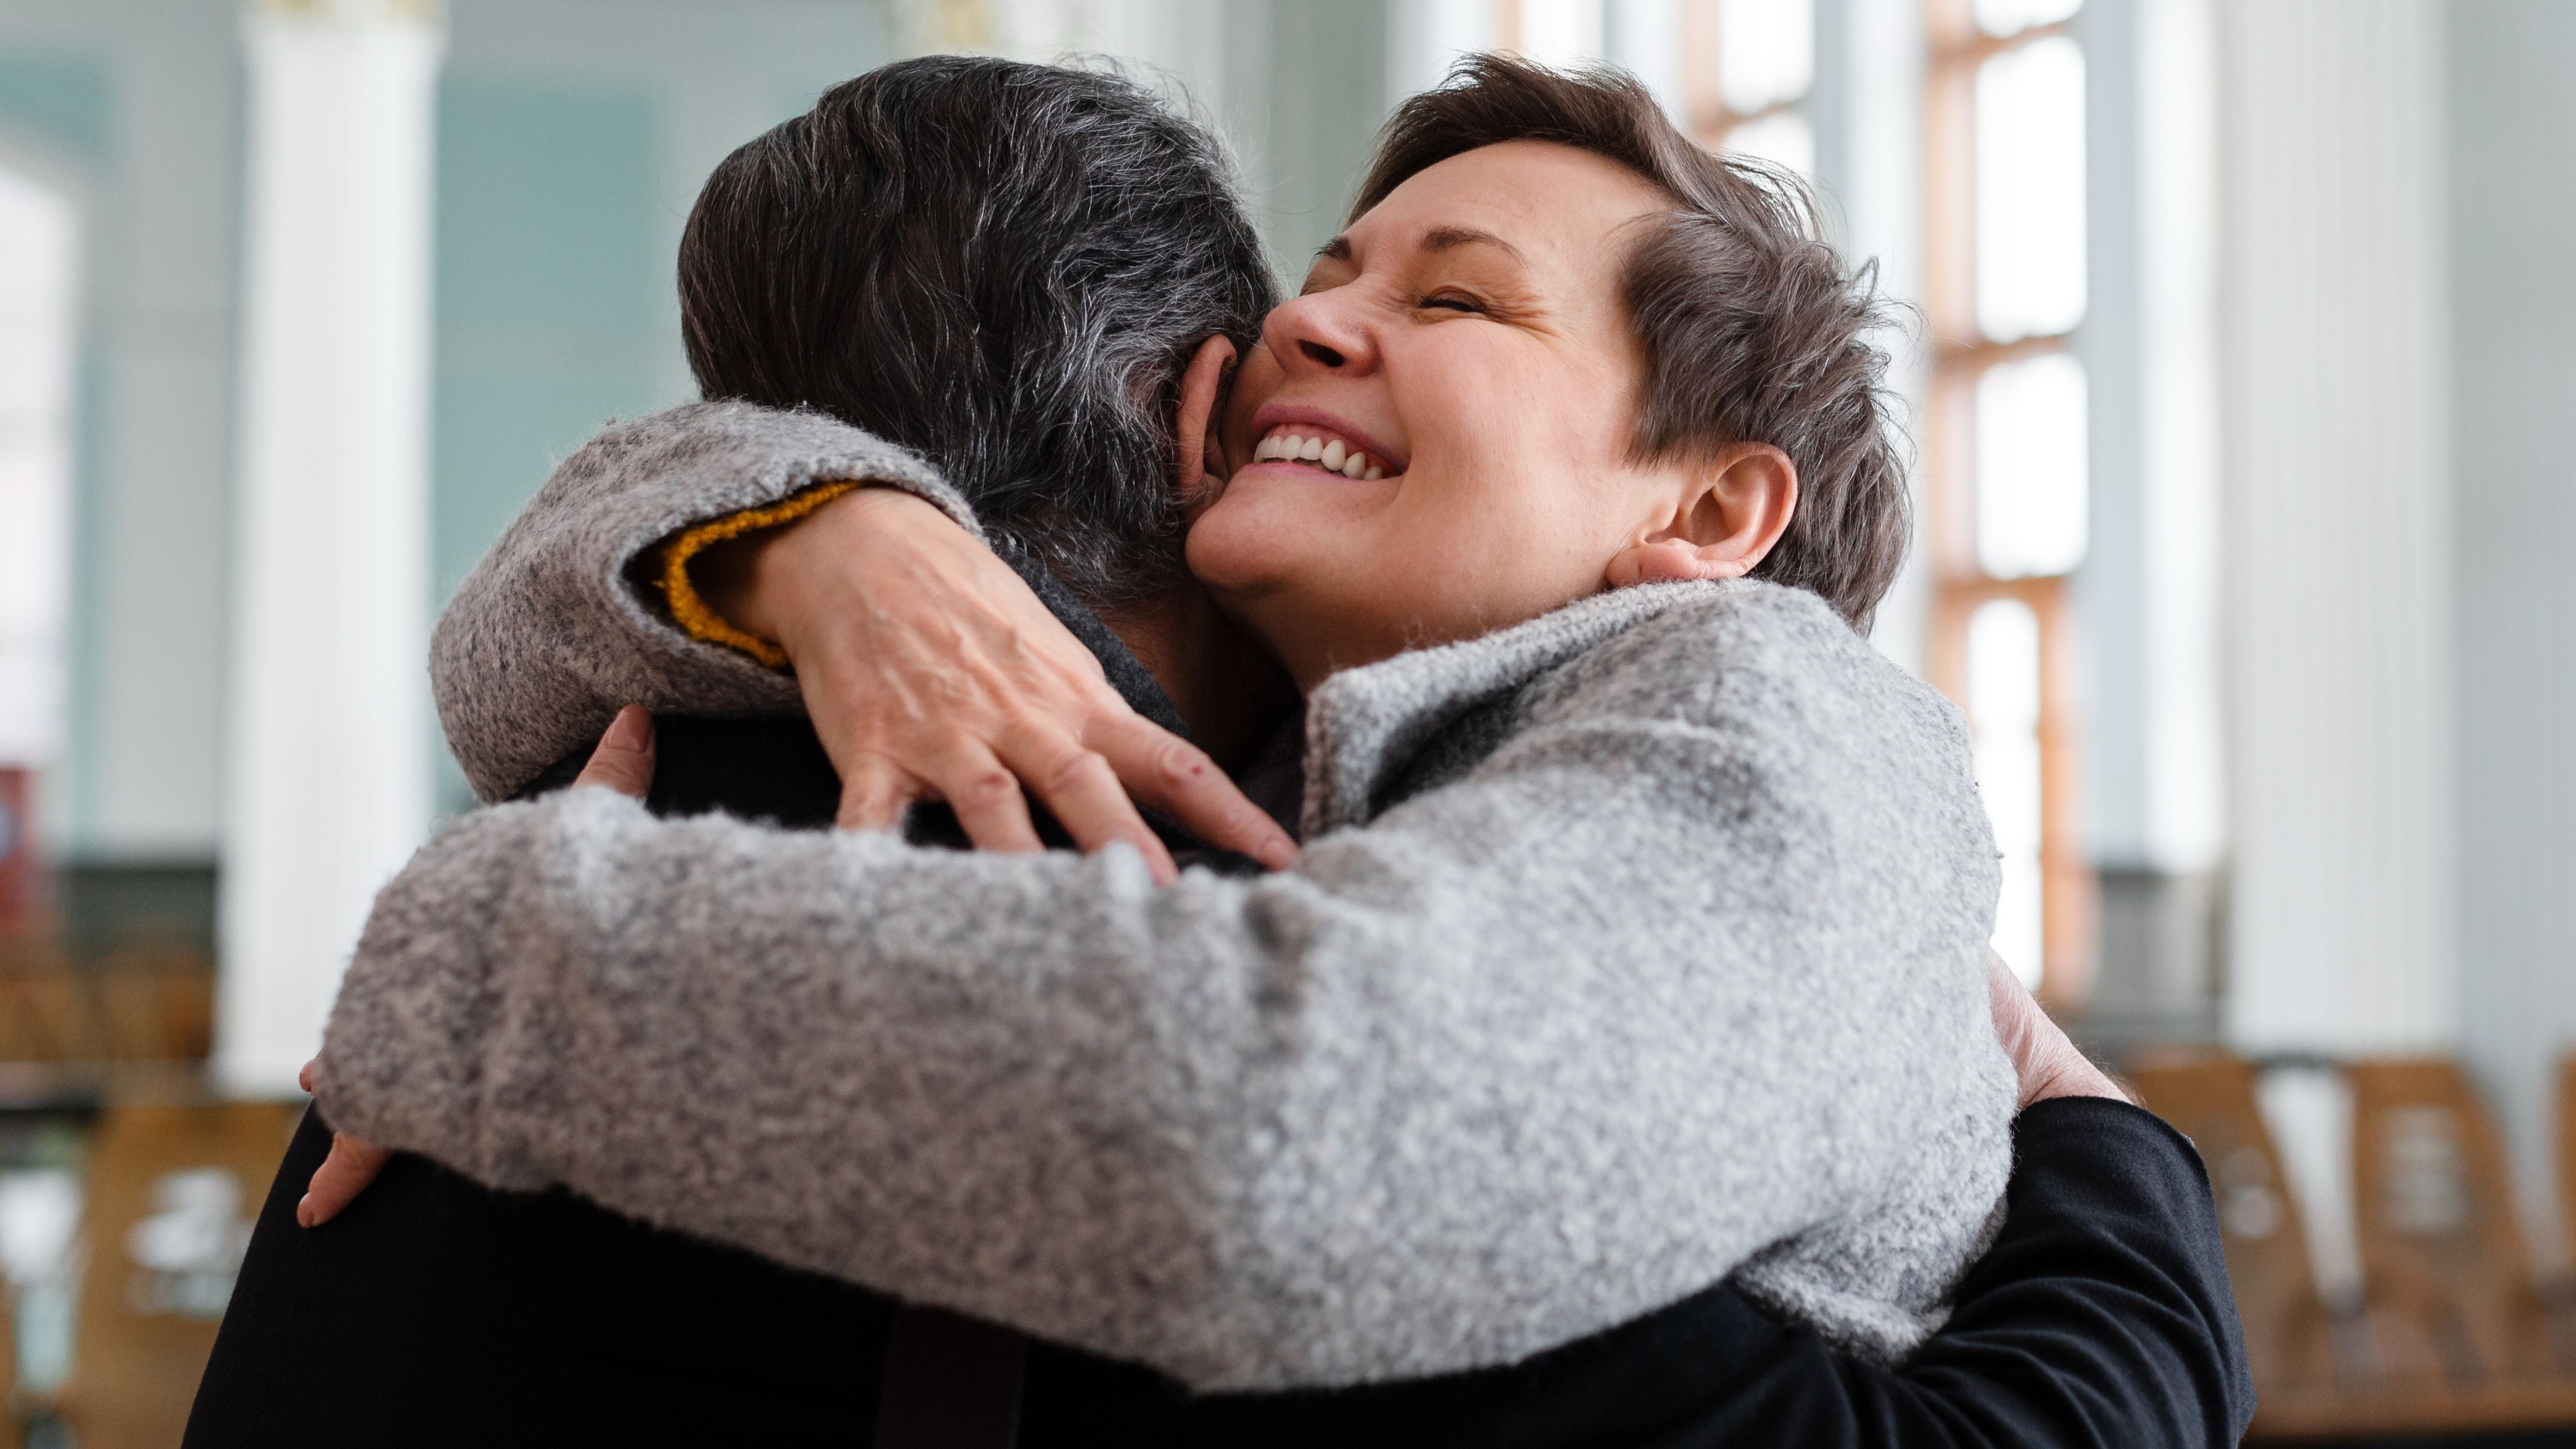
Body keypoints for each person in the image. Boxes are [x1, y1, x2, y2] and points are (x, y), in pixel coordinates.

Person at [189, 56, 2250, 1447]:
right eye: (1327, 279)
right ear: (1189, 427)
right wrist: (811, 532)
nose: (1322, 329)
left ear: (1710, 517)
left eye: (1460, 299)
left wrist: (502, 938)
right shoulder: (1301, 810)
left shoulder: (1767, 721)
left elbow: (1288, 1130)